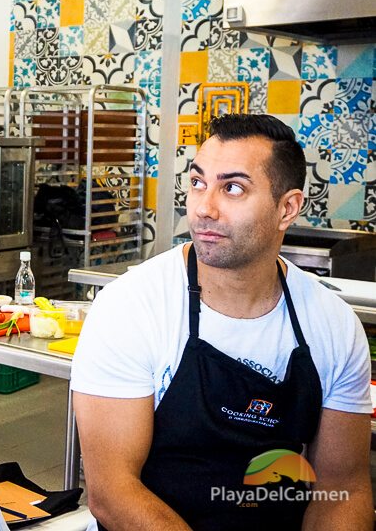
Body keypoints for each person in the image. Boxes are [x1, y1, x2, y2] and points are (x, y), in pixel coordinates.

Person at [71, 114, 372, 530]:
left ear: (287, 208)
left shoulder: (332, 325)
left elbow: (344, 490)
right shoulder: (132, 306)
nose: (203, 208)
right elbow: (112, 492)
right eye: (197, 183)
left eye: (232, 188)